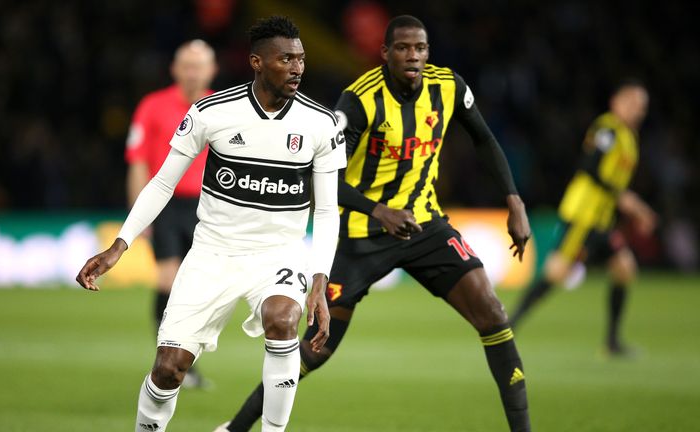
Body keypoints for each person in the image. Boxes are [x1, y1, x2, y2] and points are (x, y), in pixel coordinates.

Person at [217, 15, 532, 432]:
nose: (413, 56)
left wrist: (514, 200)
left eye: (420, 48)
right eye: (403, 48)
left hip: (426, 227)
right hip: (361, 237)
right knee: (316, 349)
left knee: (492, 313)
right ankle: (234, 429)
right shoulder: (360, 100)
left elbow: (484, 138)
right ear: (385, 53)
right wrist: (378, 211)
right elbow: (320, 173)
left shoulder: (449, 87)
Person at [77, 16, 346, 432]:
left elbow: (328, 211)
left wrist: (318, 279)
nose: (297, 68)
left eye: (301, 59)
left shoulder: (321, 124)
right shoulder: (211, 112)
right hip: (212, 255)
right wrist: (120, 243)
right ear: (257, 62)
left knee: (282, 318)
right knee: (169, 369)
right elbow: (162, 182)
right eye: (285, 59)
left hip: (279, 255)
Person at [510, 80, 655, 356]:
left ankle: (612, 343)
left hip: (601, 220)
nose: (637, 110)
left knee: (624, 269)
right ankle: (507, 327)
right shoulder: (608, 129)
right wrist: (627, 200)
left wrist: (623, 201)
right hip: (582, 215)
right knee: (556, 273)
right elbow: (590, 167)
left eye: (642, 106)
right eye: (632, 103)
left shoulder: (628, 137)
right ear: (616, 102)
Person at [125, 39, 217, 389]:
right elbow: (137, 160)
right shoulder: (152, 106)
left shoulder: (220, 107)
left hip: (207, 209)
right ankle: (164, 361)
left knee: (197, 289)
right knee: (167, 281)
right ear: (175, 69)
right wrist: (140, 212)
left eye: (200, 66)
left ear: (212, 70)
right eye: (187, 65)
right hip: (165, 205)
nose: (193, 72)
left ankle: (184, 362)